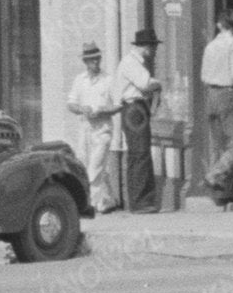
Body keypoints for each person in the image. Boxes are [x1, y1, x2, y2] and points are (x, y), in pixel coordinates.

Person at [60, 30, 123, 207]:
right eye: (92, 59)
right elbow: (71, 104)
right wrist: (82, 109)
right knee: (91, 164)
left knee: (95, 166)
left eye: (98, 59)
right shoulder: (80, 80)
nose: (96, 62)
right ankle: (108, 201)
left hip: (103, 129)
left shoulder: (108, 80)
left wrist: (103, 110)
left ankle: (91, 204)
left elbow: (119, 104)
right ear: (85, 62)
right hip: (85, 129)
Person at [112, 26, 162, 217]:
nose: (155, 51)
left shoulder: (131, 62)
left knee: (137, 154)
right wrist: (159, 84)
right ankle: (142, 202)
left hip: (132, 109)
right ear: (146, 47)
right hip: (134, 108)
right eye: (153, 47)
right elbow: (145, 84)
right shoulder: (133, 63)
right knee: (140, 153)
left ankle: (138, 200)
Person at [197, 13, 233, 203]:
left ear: (219, 25)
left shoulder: (210, 46)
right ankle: (214, 175)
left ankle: (223, 193)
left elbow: (203, 75)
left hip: (211, 94)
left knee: (219, 144)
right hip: (228, 93)